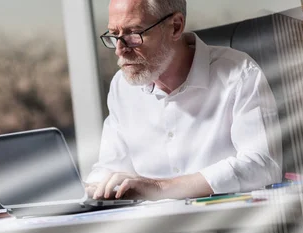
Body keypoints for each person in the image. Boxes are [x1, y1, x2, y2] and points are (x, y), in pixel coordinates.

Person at [85, 0, 282, 201]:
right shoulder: (122, 86)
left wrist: (161, 188)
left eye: (133, 34)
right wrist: (97, 186)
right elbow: (110, 166)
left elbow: (262, 166)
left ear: (175, 26)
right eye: (114, 35)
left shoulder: (240, 73)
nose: (120, 50)